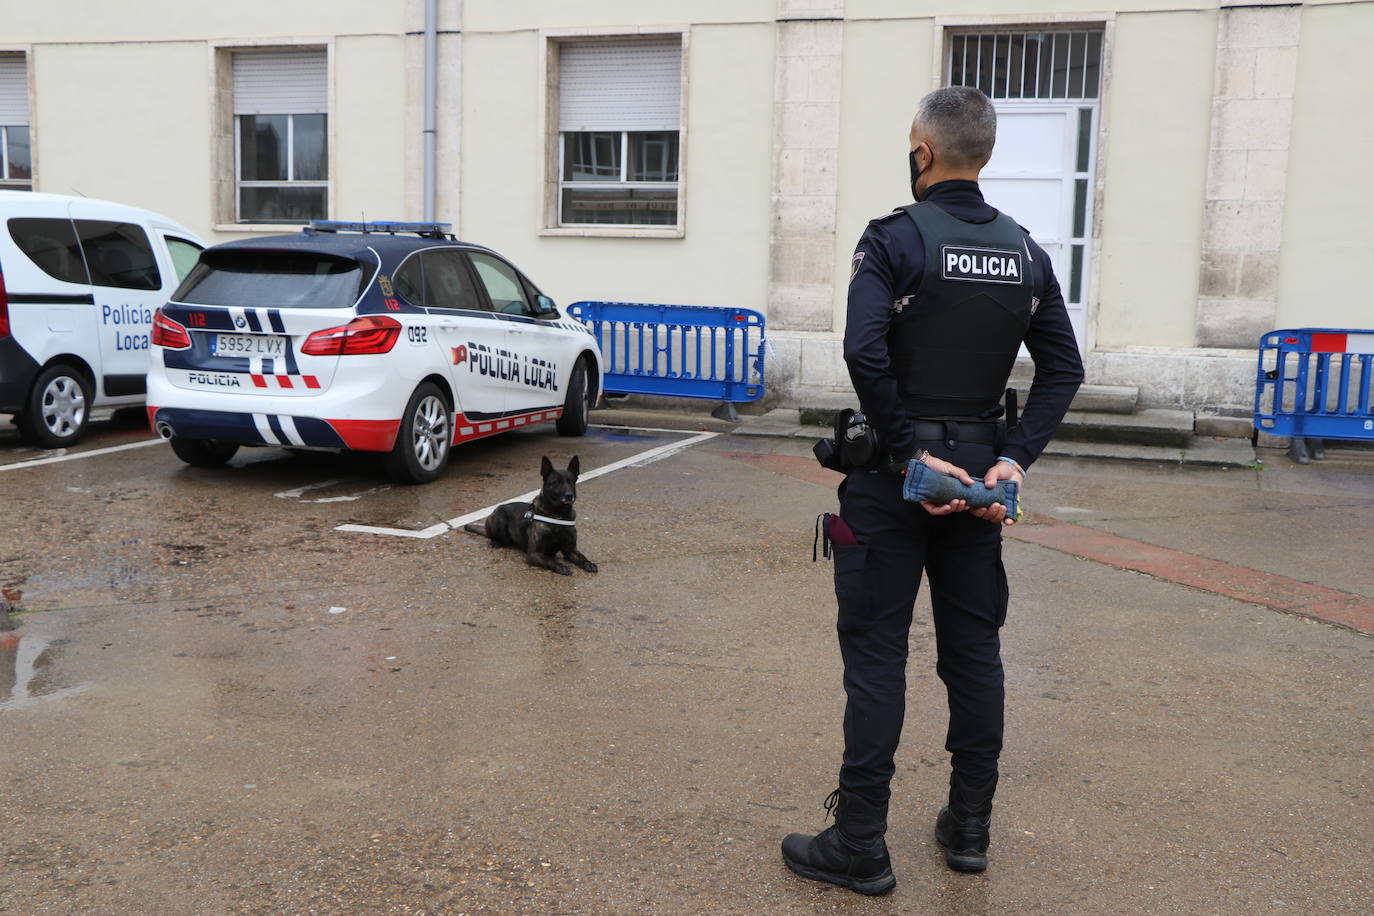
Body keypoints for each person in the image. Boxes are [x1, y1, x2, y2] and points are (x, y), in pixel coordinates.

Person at [781, 86, 1084, 894]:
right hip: (981, 483)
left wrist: (916, 454)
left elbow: (864, 349)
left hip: (894, 482)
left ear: (922, 151)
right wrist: (1012, 460)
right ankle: (969, 831)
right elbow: (1064, 368)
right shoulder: (1026, 251)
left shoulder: (894, 240)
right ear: (980, 154)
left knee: (878, 659)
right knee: (975, 655)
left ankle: (860, 844)